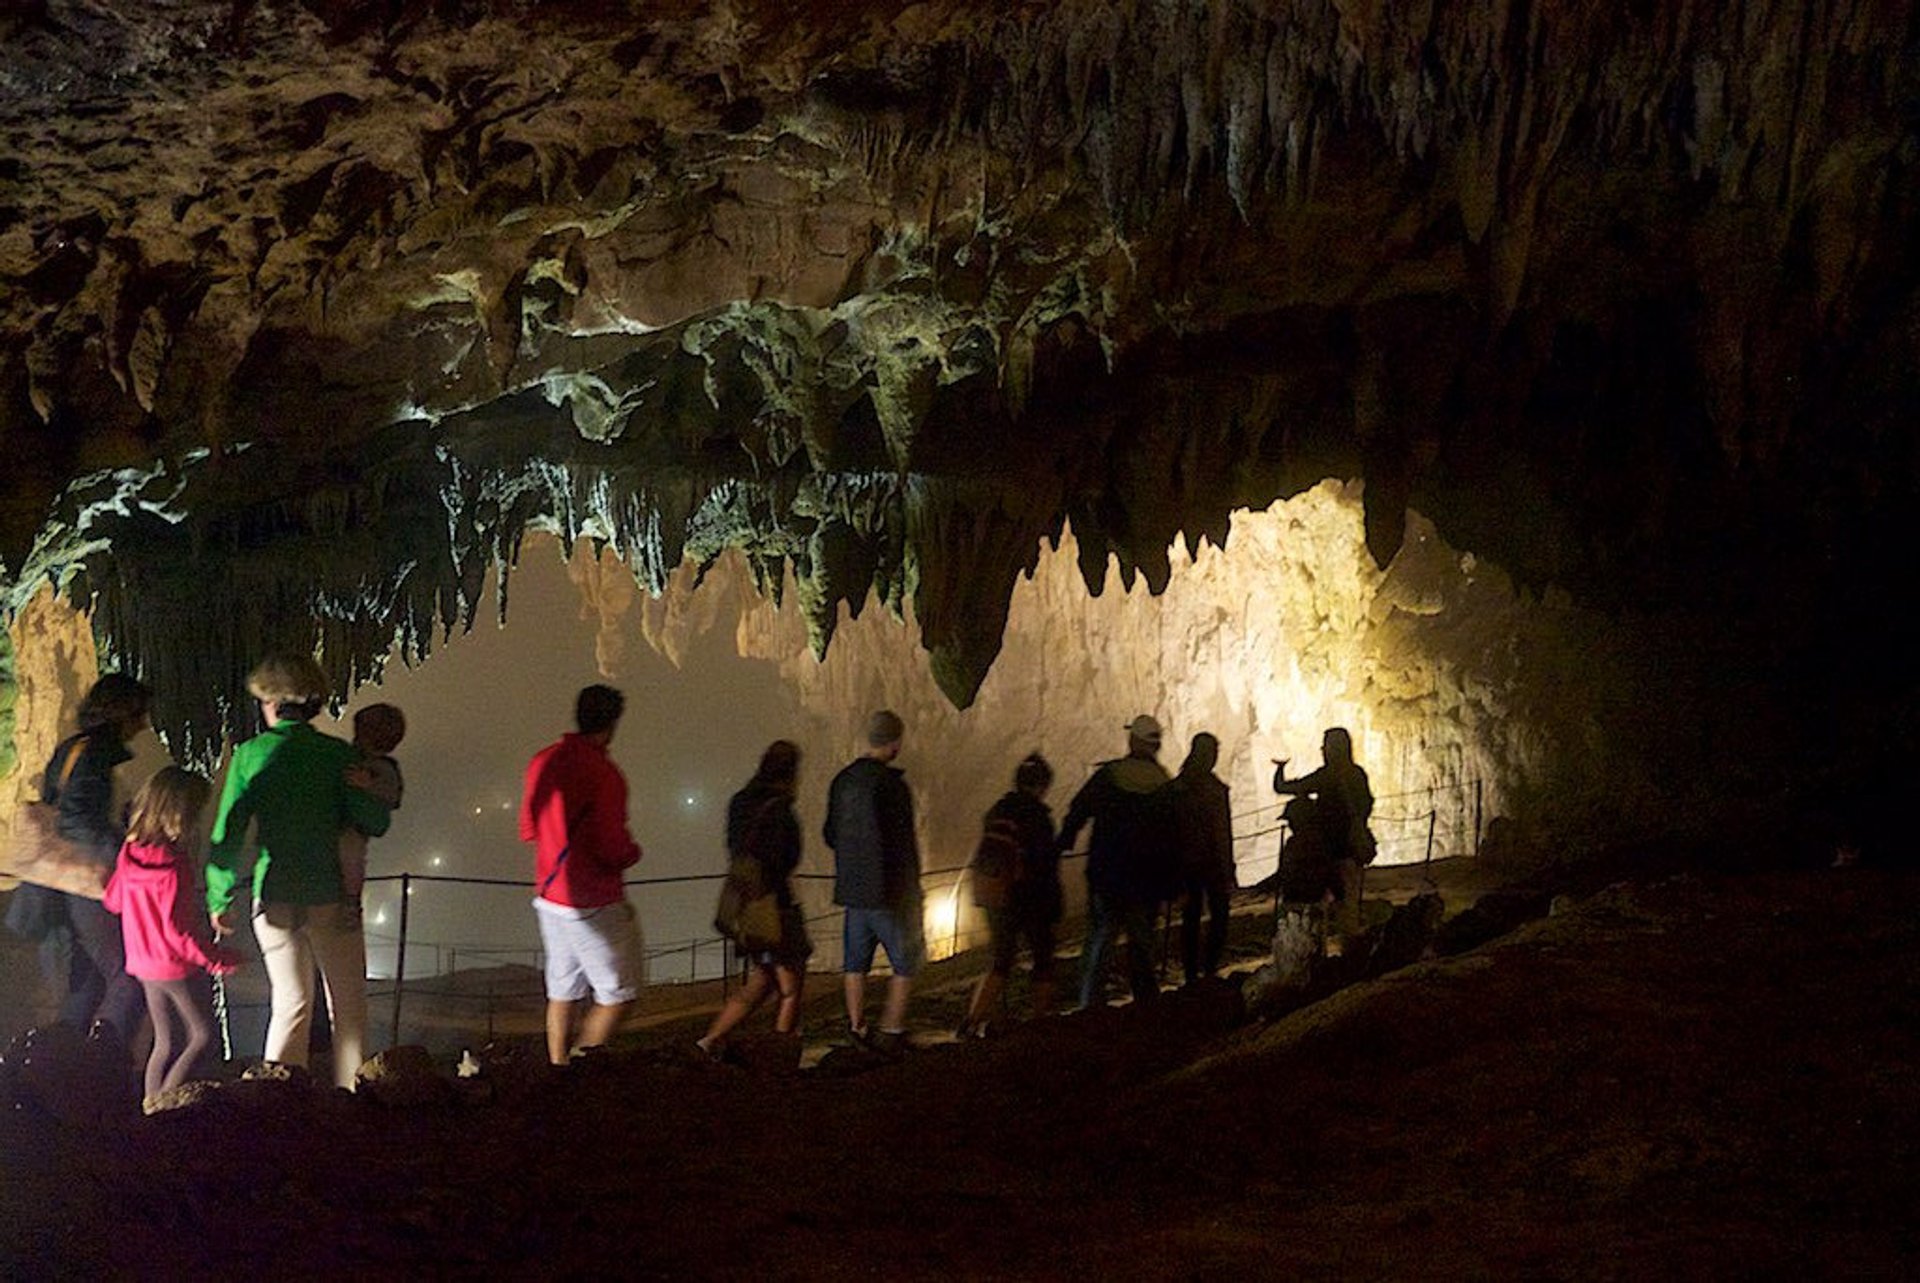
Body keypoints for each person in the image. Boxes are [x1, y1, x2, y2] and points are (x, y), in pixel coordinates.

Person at [207, 654, 391, 1090]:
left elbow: (228, 832)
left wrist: (219, 896)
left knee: (290, 1003)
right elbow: (374, 822)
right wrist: (368, 792)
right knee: (348, 1005)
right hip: (329, 893)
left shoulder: (251, 755)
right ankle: (352, 1094)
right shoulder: (336, 755)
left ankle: (278, 1096)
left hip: (273, 896)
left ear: (269, 703)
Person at [6, 673, 154, 1049]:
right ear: (122, 713)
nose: (144, 723)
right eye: (139, 714)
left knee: (86, 979)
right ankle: (104, 1056)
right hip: (87, 881)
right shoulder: (97, 754)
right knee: (129, 975)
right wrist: (126, 855)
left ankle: (63, 1063)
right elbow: (80, 818)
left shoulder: (72, 749)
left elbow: (62, 808)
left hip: (59, 883)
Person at [520, 684, 645, 1067]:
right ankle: (580, 1067)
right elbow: (611, 846)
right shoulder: (605, 774)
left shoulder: (542, 761)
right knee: (618, 996)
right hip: (592, 901)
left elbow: (528, 828)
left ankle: (557, 1069)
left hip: (549, 896)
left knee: (562, 990)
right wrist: (632, 853)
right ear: (611, 725)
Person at [103, 767, 242, 1100]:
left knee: (164, 1042)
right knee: (201, 1035)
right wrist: (217, 959)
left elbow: (113, 901)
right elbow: (179, 933)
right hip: (172, 966)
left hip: (142, 963)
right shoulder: (175, 867)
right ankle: (165, 1104)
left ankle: (151, 1108)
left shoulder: (130, 851)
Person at [697, 741, 812, 1060]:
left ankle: (707, 1043)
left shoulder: (740, 803)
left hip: (746, 906)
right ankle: (780, 1051)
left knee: (760, 982)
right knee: (790, 987)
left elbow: (735, 846)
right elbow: (788, 859)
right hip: (776, 907)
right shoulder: (782, 811)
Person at [823, 710, 922, 1052]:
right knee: (906, 961)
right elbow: (903, 842)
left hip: (852, 890)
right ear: (894, 743)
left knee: (855, 963)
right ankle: (892, 1029)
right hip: (887, 892)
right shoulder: (892, 785)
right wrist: (913, 890)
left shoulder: (842, 780)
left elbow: (830, 834)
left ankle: (856, 1026)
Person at [1061, 715, 1174, 1010]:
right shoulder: (1164, 785)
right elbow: (1175, 834)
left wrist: (1064, 841)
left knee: (1100, 941)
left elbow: (1079, 809)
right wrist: (1175, 878)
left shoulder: (1109, 776)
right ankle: (1146, 1003)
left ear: (1133, 740)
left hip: (1107, 874)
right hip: (1146, 880)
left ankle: (1090, 1004)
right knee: (1142, 943)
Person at [958, 752, 1061, 1036]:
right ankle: (1040, 1020)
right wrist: (1053, 905)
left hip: (996, 895)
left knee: (1001, 960)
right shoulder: (1038, 818)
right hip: (1029, 898)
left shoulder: (997, 811)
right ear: (1041, 786)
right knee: (1043, 957)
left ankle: (973, 1019)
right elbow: (1044, 866)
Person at [1272, 727, 1376, 941]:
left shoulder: (1327, 775)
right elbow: (1367, 803)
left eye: (1325, 745)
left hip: (1325, 852)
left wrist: (1280, 769)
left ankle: (1316, 954)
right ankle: (1351, 952)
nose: (1322, 750)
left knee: (1319, 906)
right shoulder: (1356, 774)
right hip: (1349, 850)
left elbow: (1284, 787)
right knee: (1347, 905)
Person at [1167, 732, 1234, 984]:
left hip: (1190, 864)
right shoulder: (1212, 790)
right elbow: (1222, 833)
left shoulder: (1178, 788)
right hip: (1208, 864)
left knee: (1192, 919)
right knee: (1215, 917)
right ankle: (1206, 969)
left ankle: (1194, 972)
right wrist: (1228, 868)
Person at [339, 702, 406, 908]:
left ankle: (351, 900)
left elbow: (392, 796)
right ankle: (351, 900)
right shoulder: (381, 766)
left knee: (351, 854)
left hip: (351, 832)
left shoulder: (382, 769)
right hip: (352, 830)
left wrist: (369, 784)